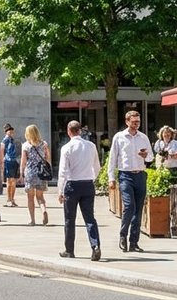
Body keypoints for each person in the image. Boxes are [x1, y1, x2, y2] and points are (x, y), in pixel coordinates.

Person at [107, 110, 152, 253]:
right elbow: (113, 158)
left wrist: (146, 156)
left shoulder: (143, 137)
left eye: (138, 122)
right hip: (125, 175)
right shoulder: (119, 137)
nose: (136, 125)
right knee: (129, 206)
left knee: (138, 210)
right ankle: (122, 236)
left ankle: (134, 242)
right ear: (127, 122)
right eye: (133, 122)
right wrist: (111, 178)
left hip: (140, 174)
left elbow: (151, 157)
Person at [57, 120, 101, 260]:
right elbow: (97, 167)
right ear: (80, 131)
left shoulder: (66, 148)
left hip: (72, 185)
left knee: (70, 219)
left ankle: (69, 250)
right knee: (90, 218)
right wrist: (91, 178)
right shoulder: (91, 146)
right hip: (88, 184)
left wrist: (60, 191)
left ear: (69, 131)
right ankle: (95, 246)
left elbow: (63, 172)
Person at [20, 124, 51, 227]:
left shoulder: (25, 145)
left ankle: (32, 220)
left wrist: (21, 173)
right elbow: (48, 158)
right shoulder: (44, 144)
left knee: (30, 197)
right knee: (40, 196)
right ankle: (43, 211)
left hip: (30, 172)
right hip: (41, 172)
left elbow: (23, 161)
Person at [2, 124, 21, 207]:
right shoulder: (6, 140)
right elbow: (2, 151)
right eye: (9, 130)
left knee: (12, 181)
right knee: (10, 181)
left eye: (12, 131)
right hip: (9, 161)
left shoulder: (12, 140)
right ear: (6, 132)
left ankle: (11, 199)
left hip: (12, 161)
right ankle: (10, 199)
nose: (11, 132)